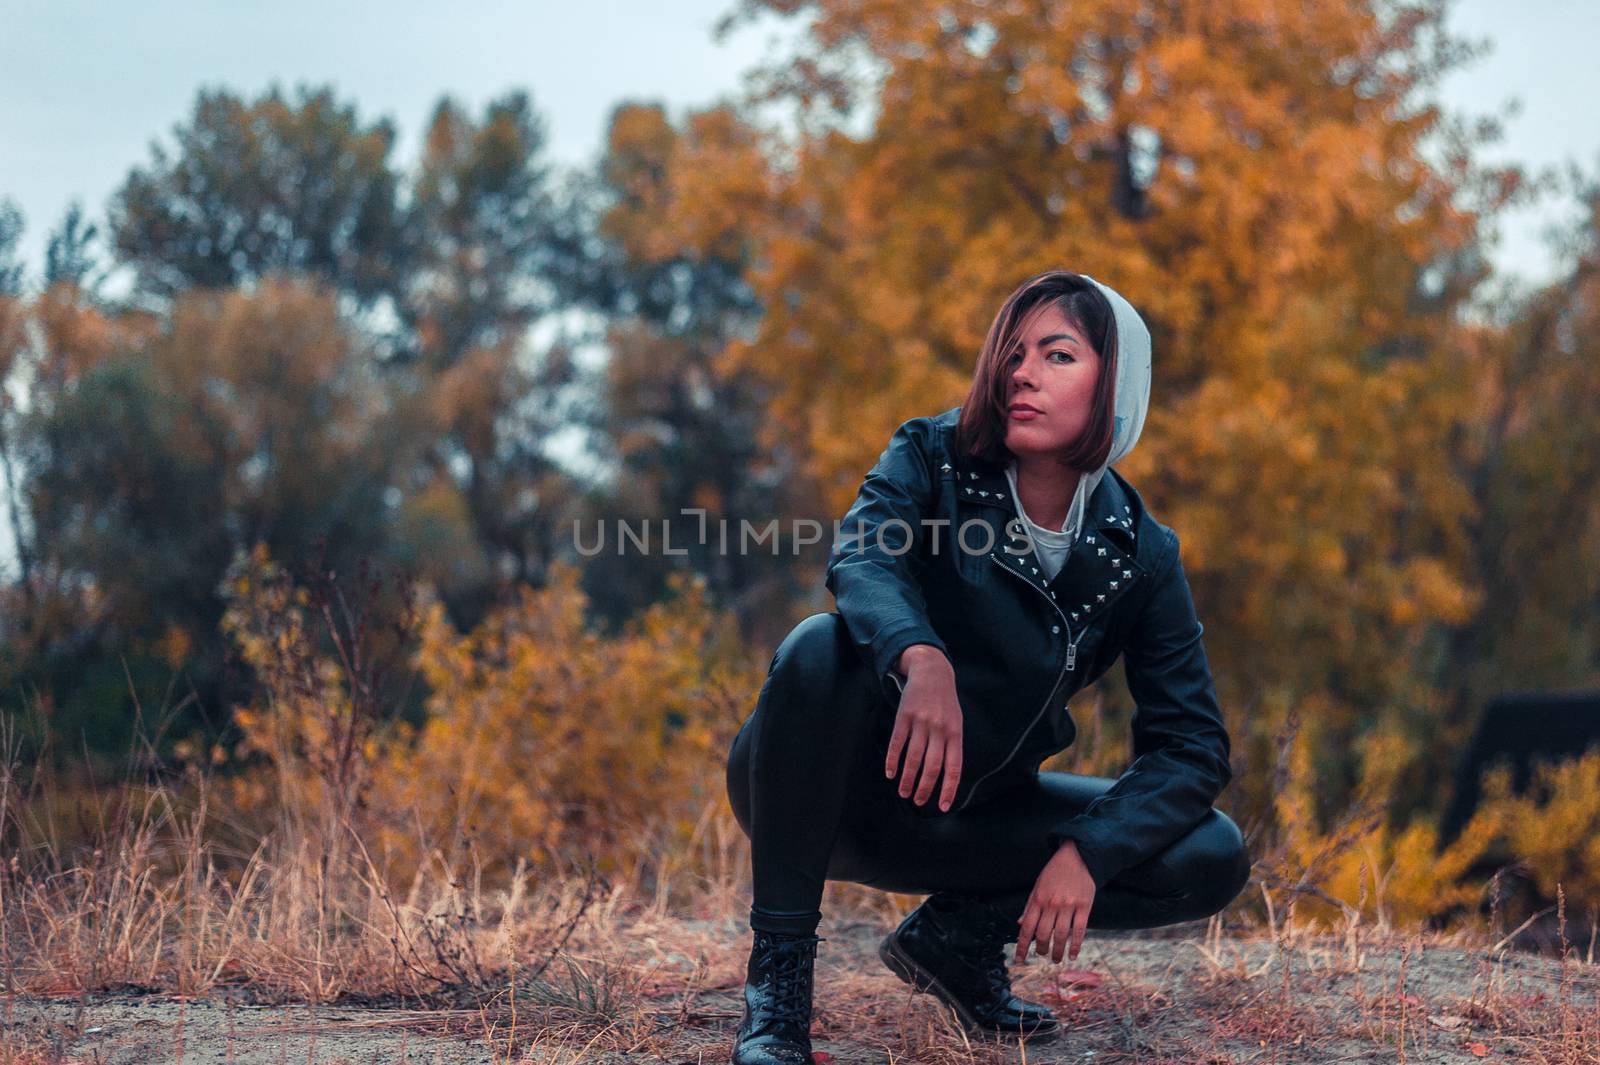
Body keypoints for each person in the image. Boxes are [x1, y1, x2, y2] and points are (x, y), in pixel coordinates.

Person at [724, 269, 1252, 1064]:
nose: (1022, 372)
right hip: (820, 794)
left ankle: (956, 941)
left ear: (1119, 386)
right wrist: (920, 655)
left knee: (1211, 850)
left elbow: (1193, 745)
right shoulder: (930, 455)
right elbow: (864, 553)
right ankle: (776, 1002)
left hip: (969, 815)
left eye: (1058, 354)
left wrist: (1088, 850)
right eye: (1013, 353)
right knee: (816, 647)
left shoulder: (1141, 553)